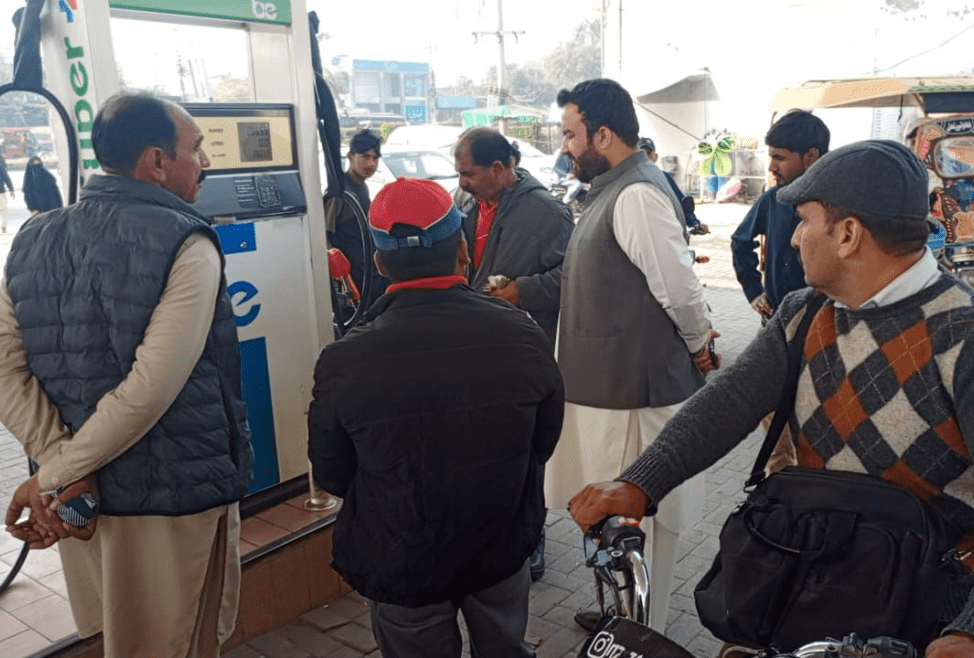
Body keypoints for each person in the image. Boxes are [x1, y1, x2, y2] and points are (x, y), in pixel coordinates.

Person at [568, 140, 974, 658]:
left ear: (847, 234)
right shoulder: (804, 313)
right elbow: (728, 402)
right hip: (811, 583)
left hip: (922, 620)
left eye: (803, 221)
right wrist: (640, 482)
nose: (794, 238)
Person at [0, 93, 254, 657]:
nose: (205, 161)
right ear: (157, 161)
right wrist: (58, 471)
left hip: (80, 501)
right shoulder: (186, 242)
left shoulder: (33, 237)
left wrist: (60, 466)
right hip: (171, 496)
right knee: (179, 642)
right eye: (196, 148)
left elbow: (1, 366)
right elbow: (150, 388)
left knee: (120, 638)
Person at [308, 177, 564, 658]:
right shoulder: (523, 335)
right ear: (462, 250)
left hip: (402, 555)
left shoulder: (345, 360)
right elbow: (543, 442)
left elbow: (333, 472)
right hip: (500, 540)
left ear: (380, 263)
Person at [544, 78, 719, 634]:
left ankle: (645, 634)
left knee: (645, 528)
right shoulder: (610, 190)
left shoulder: (637, 194)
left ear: (603, 135)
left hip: (637, 403)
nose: (566, 147)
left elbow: (680, 289)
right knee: (611, 523)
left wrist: (700, 346)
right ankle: (619, 618)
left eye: (571, 134)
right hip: (609, 395)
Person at [455, 126, 574, 350]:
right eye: (459, 174)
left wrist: (522, 291)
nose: (462, 183)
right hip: (474, 342)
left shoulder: (548, 213)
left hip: (521, 347)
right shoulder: (465, 203)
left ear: (497, 168)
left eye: (469, 174)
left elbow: (575, 276)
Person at [731, 110, 829, 323]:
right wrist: (754, 291)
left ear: (810, 157)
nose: (771, 167)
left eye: (780, 158)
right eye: (771, 157)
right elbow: (740, 241)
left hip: (819, 327)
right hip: (775, 322)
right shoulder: (772, 200)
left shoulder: (838, 205)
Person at [325, 129, 389, 314]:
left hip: (368, 271)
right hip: (352, 281)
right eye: (365, 157)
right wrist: (343, 279)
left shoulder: (362, 187)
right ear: (351, 156)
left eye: (375, 158)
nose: (371, 164)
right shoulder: (339, 193)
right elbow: (323, 236)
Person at [639, 136, 707, 235]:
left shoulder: (664, 178)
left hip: (666, 230)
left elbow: (681, 201)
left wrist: (694, 223)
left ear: (655, 156)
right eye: (642, 153)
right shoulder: (632, 181)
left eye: (648, 152)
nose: (646, 156)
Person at [0, 148, 14, 233]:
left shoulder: (0, 167)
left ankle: (2, 227)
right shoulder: (0, 166)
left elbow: (7, 179)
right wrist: (11, 190)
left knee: (1, 211)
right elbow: (7, 179)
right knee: (1, 211)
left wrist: (11, 189)